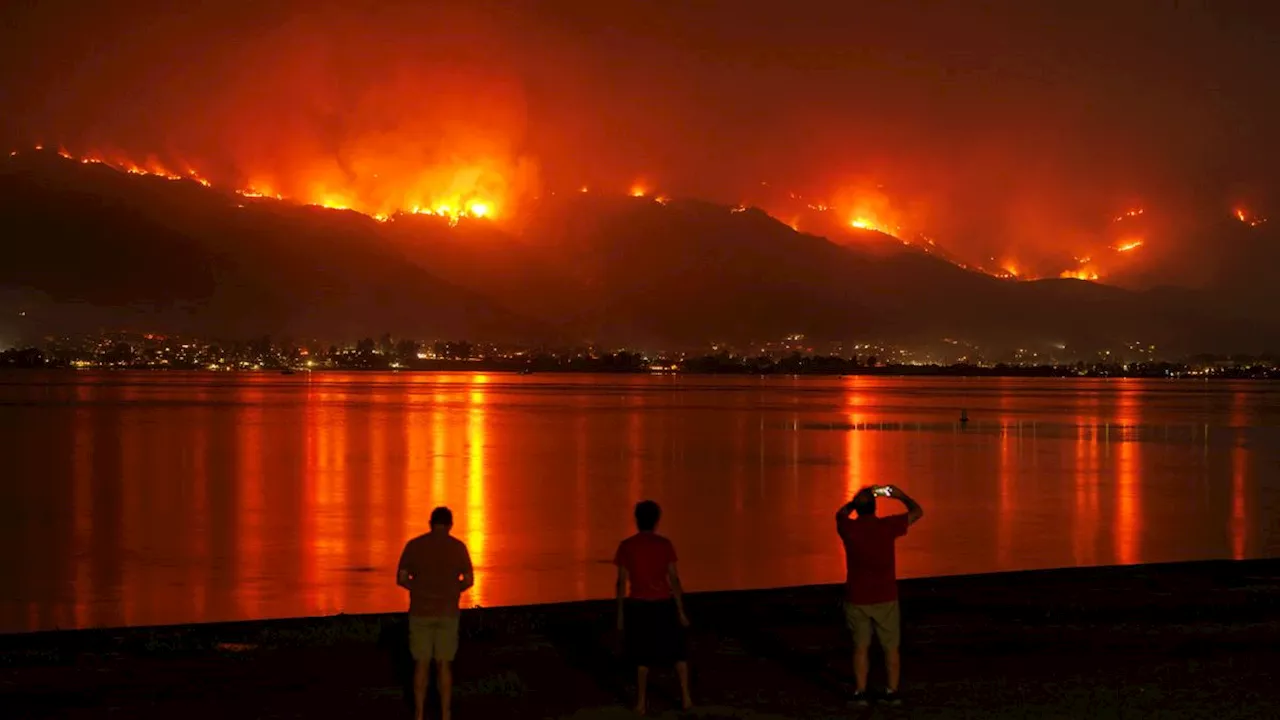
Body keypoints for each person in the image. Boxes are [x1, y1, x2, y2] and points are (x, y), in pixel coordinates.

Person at [835, 485, 924, 707]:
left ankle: (861, 692)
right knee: (890, 647)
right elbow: (917, 512)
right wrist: (899, 495)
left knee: (860, 647)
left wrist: (855, 503)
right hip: (885, 595)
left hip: (857, 596)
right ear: (875, 508)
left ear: (858, 509)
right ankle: (891, 692)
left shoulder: (849, 529)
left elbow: (840, 514)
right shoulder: (887, 527)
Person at [614, 500, 693, 714]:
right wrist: (681, 611)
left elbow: (621, 582)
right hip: (662, 603)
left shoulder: (627, 546)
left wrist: (620, 613)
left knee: (641, 657)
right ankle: (685, 696)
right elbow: (674, 579)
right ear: (656, 521)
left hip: (639, 604)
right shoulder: (664, 545)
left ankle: (641, 702)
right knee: (678, 653)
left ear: (637, 520)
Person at [397, 507, 474, 720]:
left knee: (421, 663)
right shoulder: (458, 548)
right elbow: (468, 580)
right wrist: (452, 591)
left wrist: (418, 588)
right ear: (450, 525)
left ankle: (419, 714)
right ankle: (445, 714)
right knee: (444, 664)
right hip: (447, 612)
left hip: (421, 612)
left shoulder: (414, 546)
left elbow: (402, 578)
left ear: (431, 523)